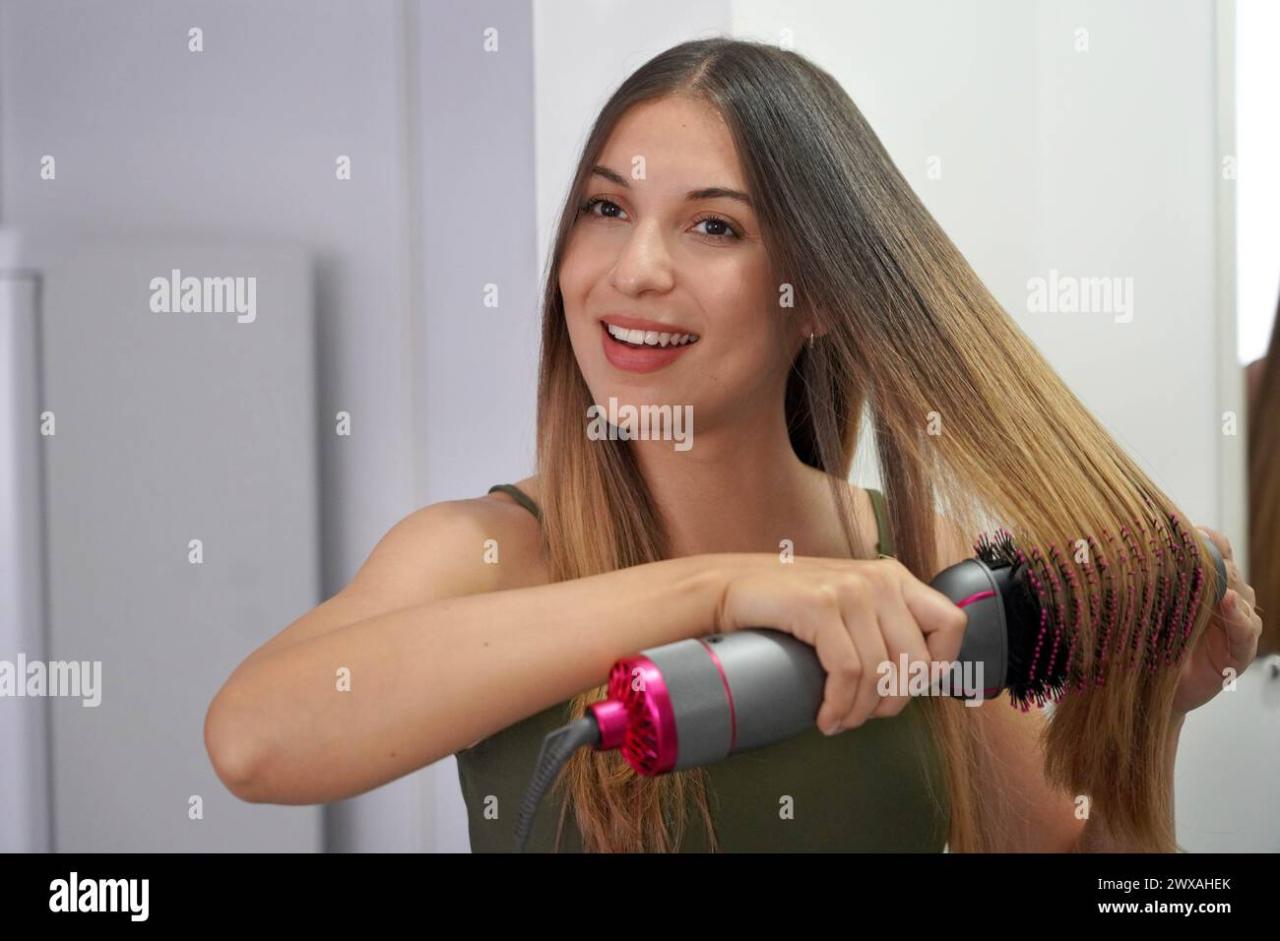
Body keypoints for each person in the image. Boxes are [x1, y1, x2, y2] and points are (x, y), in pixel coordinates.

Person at [204, 38, 1262, 853]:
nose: (634, 269)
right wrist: (719, 589)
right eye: (604, 209)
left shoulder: (904, 551)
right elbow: (252, 741)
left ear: (816, 296)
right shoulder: (481, 554)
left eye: (713, 226)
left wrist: (1145, 716)